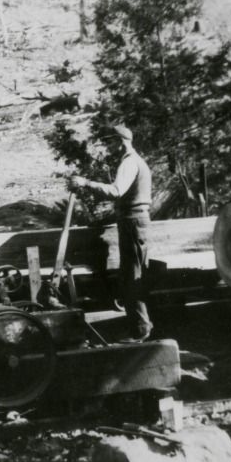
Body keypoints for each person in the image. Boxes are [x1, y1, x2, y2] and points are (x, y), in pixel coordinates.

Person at [67, 124, 153, 342]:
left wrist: (86, 183)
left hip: (133, 222)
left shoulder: (130, 162)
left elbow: (116, 191)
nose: (108, 148)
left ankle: (140, 330)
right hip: (132, 220)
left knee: (133, 276)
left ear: (120, 142)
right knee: (131, 274)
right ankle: (138, 326)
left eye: (110, 143)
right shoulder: (135, 161)